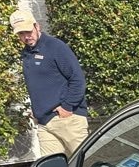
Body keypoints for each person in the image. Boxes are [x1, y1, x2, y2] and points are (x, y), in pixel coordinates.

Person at [10, 9, 89, 158]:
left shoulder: (55, 47)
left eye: (28, 31)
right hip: (44, 123)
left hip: (68, 119)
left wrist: (67, 106)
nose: (26, 37)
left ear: (37, 26)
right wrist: (37, 109)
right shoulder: (26, 54)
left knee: (86, 164)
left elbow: (77, 79)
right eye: (21, 34)